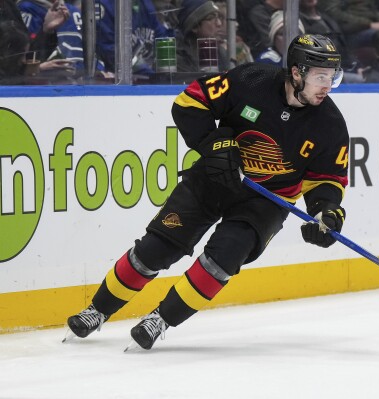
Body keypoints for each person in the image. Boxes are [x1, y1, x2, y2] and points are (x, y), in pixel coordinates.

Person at [64, 33, 349, 351]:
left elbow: (327, 179)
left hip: (267, 201)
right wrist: (213, 145)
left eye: (332, 77)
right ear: (297, 72)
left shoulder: (331, 124)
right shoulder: (250, 80)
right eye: (321, 76)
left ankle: (161, 319)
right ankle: (97, 310)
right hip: (213, 177)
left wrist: (326, 211)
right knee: (156, 248)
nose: (328, 85)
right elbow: (189, 101)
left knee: (223, 258)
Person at [95, 0, 171, 75]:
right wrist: (150, 75)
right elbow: (110, 52)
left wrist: (166, 74)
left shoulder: (145, 4)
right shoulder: (103, 5)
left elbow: (162, 38)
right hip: (113, 79)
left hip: (146, 77)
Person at [176, 0, 228, 72]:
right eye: (210, 18)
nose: (219, 24)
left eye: (219, 17)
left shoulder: (221, 53)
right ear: (194, 27)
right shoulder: (180, 58)